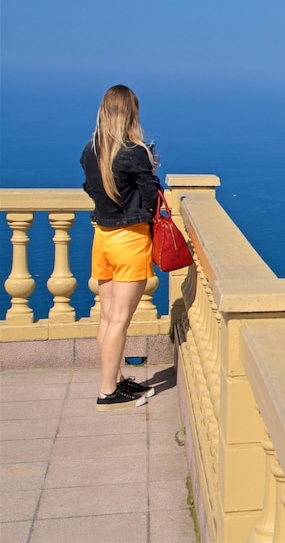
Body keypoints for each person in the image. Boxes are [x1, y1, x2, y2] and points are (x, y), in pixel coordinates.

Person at [81, 84, 160, 410]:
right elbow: (153, 197)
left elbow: (90, 187)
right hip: (129, 240)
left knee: (107, 317)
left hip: (103, 238)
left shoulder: (91, 150)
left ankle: (113, 379)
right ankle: (107, 391)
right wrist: (151, 167)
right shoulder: (134, 152)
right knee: (119, 321)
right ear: (130, 113)